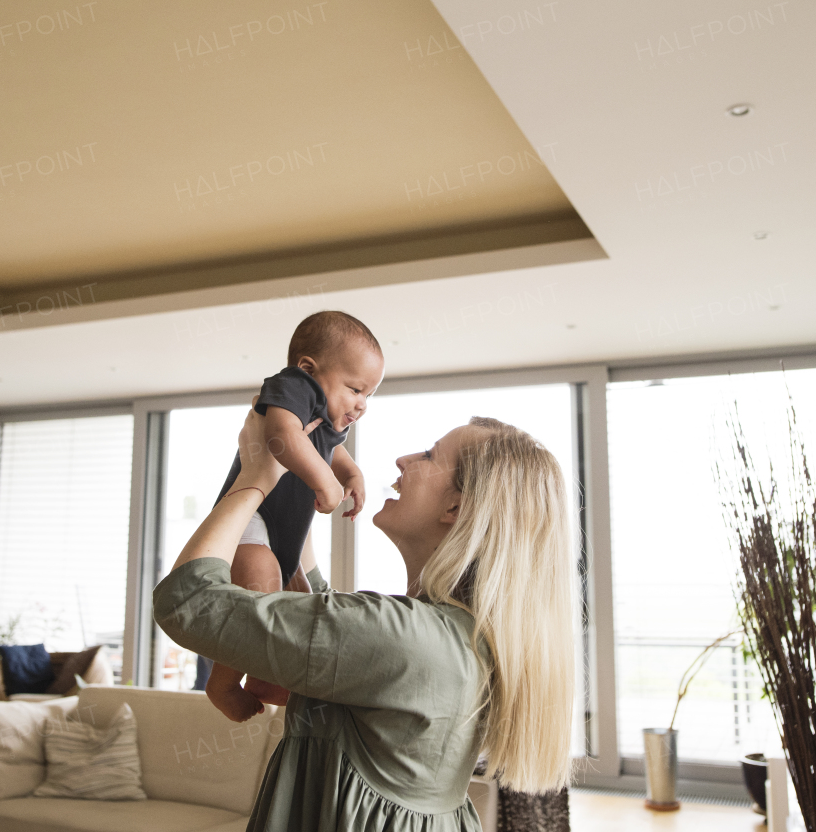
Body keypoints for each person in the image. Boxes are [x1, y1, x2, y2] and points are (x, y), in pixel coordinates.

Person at [153, 407, 575, 830]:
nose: (403, 460)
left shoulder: (405, 637)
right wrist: (300, 487)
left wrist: (252, 480)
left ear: (455, 506)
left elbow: (186, 602)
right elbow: (325, 616)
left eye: (429, 455)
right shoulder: (458, 635)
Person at [204, 311, 385, 723]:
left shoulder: (320, 414)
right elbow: (281, 435)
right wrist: (324, 482)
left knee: (300, 611)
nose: (362, 403)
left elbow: (330, 448)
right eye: (356, 388)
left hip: (286, 533)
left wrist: (351, 473)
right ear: (308, 369)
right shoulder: (293, 386)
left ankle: (266, 678)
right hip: (253, 513)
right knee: (260, 582)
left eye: (369, 395)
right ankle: (223, 682)